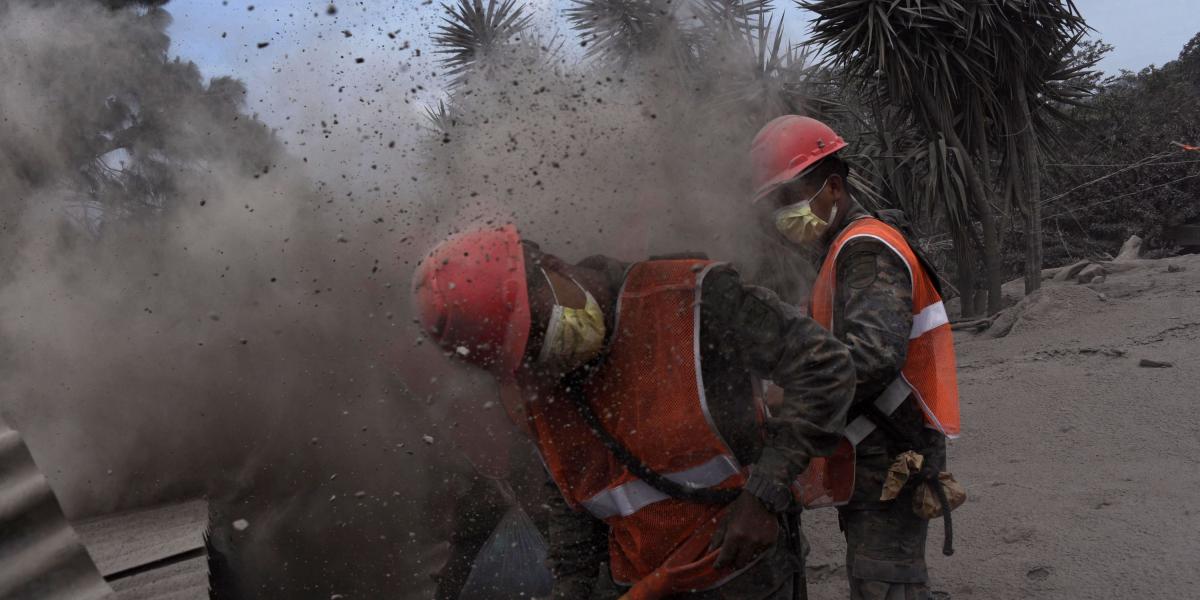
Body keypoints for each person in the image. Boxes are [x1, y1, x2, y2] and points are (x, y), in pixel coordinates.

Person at [412, 224, 855, 599]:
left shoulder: (689, 298)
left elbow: (825, 369)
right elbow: (571, 495)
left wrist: (764, 494)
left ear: (549, 266)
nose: (544, 352)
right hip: (641, 584)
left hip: (746, 576)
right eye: (524, 353)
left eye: (539, 327)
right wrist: (574, 587)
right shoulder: (540, 388)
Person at [747, 115, 963, 600]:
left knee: (886, 583)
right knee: (878, 575)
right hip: (875, 449)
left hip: (892, 451)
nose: (784, 215)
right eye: (775, 204)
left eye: (789, 198)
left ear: (834, 186)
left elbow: (872, 355)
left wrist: (794, 389)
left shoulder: (865, 249)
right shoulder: (841, 248)